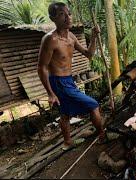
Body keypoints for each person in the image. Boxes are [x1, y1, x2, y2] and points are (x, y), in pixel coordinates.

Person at [38, 2, 105, 149]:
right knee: (93, 105)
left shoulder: (72, 37)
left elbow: (89, 54)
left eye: (68, 13)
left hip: (68, 80)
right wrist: (50, 93)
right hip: (58, 82)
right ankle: (102, 135)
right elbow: (42, 67)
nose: (68, 17)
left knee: (65, 112)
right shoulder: (50, 39)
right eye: (62, 14)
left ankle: (67, 142)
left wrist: (93, 37)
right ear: (53, 18)